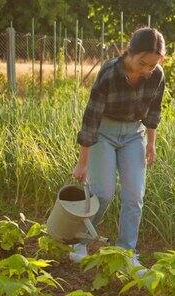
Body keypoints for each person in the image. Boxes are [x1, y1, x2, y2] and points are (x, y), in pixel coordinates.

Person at [70, 27, 166, 270]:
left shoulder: (157, 76)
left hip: (134, 135)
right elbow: (91, 118)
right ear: (130, 52)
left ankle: (126, 253)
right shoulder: (110, 73)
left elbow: (154, 112)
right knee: (103, 194)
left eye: (152, 65)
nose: (146, 70)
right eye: (142, 63)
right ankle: (79, 242)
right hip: (104, 133)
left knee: (134, 196)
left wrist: (151, 143)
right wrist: (83, 162)